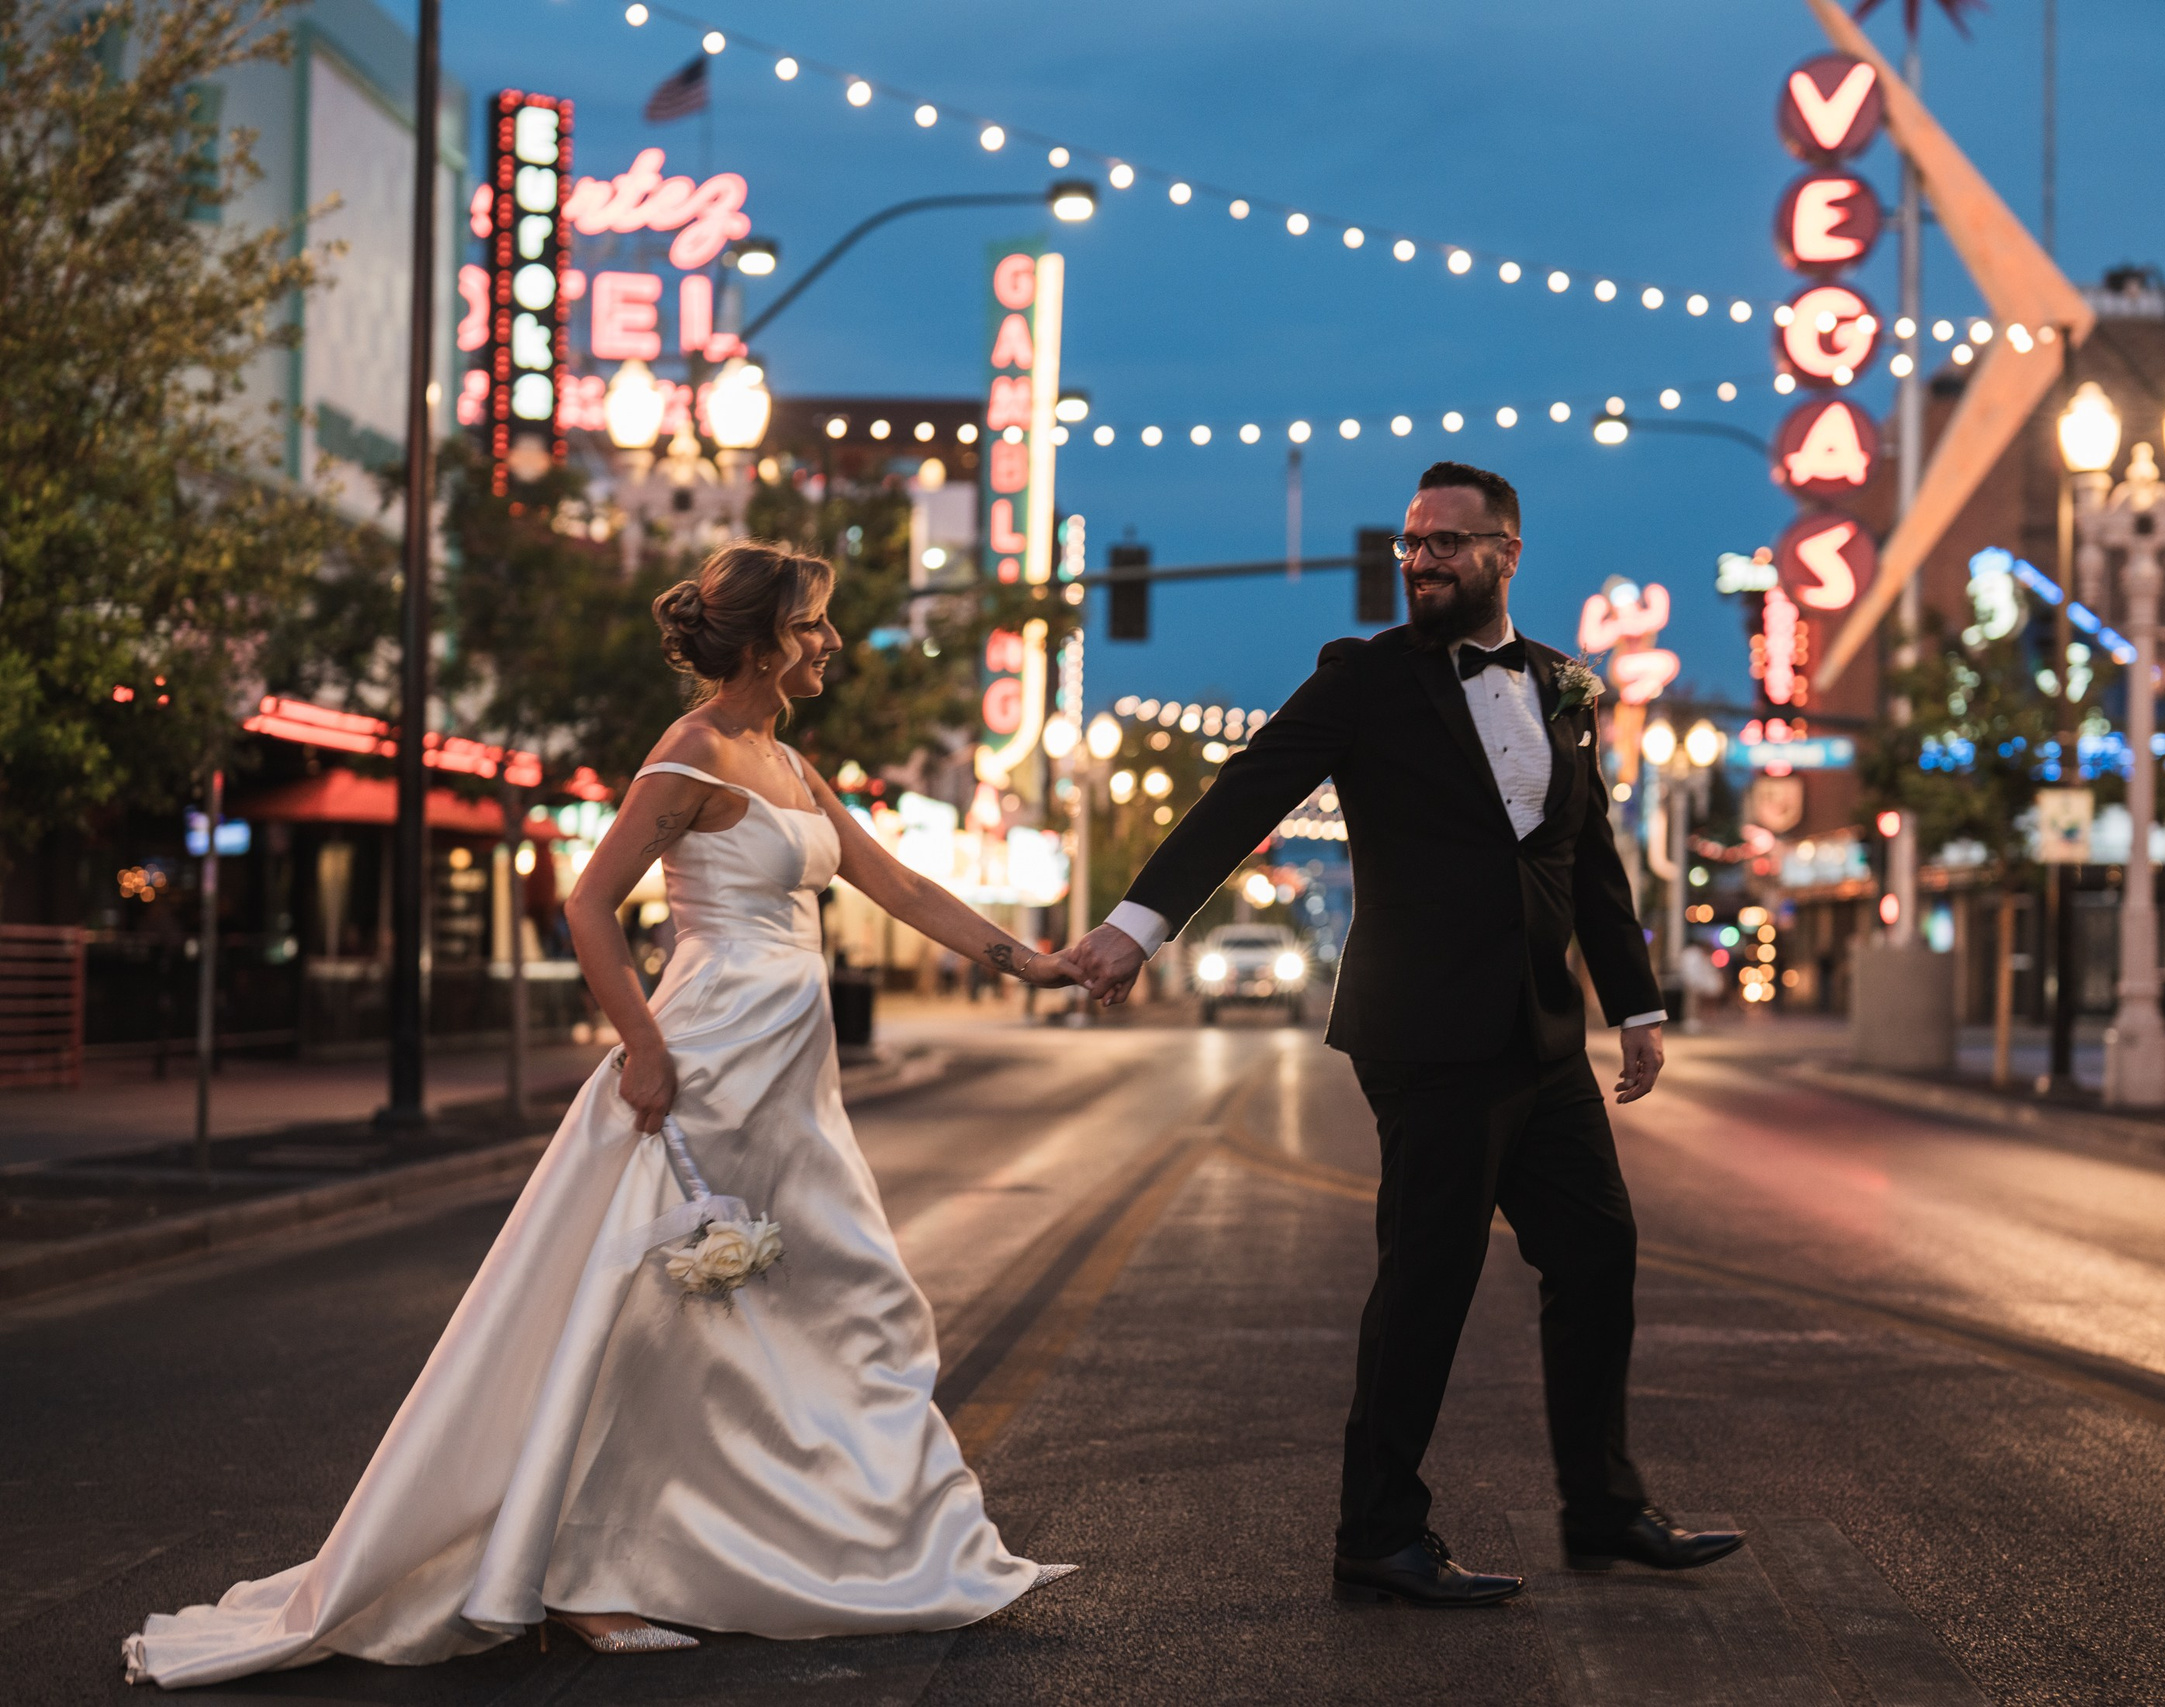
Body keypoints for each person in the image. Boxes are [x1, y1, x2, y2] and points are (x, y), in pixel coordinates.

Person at [125, 542, 1079, 1688]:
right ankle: (577, 1576)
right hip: (703, 1060)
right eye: (816, 623)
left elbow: (903, 888)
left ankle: (841, 1546)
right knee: (649, 1315)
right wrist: (642, 1047)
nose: (830, 642)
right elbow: (586, 904)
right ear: (767, 639)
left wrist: (1036, 964)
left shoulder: (791, 763)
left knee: (842, 1302)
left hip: (791, 1084)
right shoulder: (691, 754)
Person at [1064, 462, 1744, 1609]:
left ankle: (1604, 1507)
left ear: (1505, 555)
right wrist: (1139, 926)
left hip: (1541, 1032)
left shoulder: (1561, 688)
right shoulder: (1362, 681)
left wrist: (1634, 1005)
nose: (1420, 560)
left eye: (1446, 544)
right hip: (1425, 1031)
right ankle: (1376, 1532)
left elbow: (1585, 861)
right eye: (1411, 543)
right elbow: (1244, 796)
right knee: (1428, 1275)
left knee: (1596, 1254)